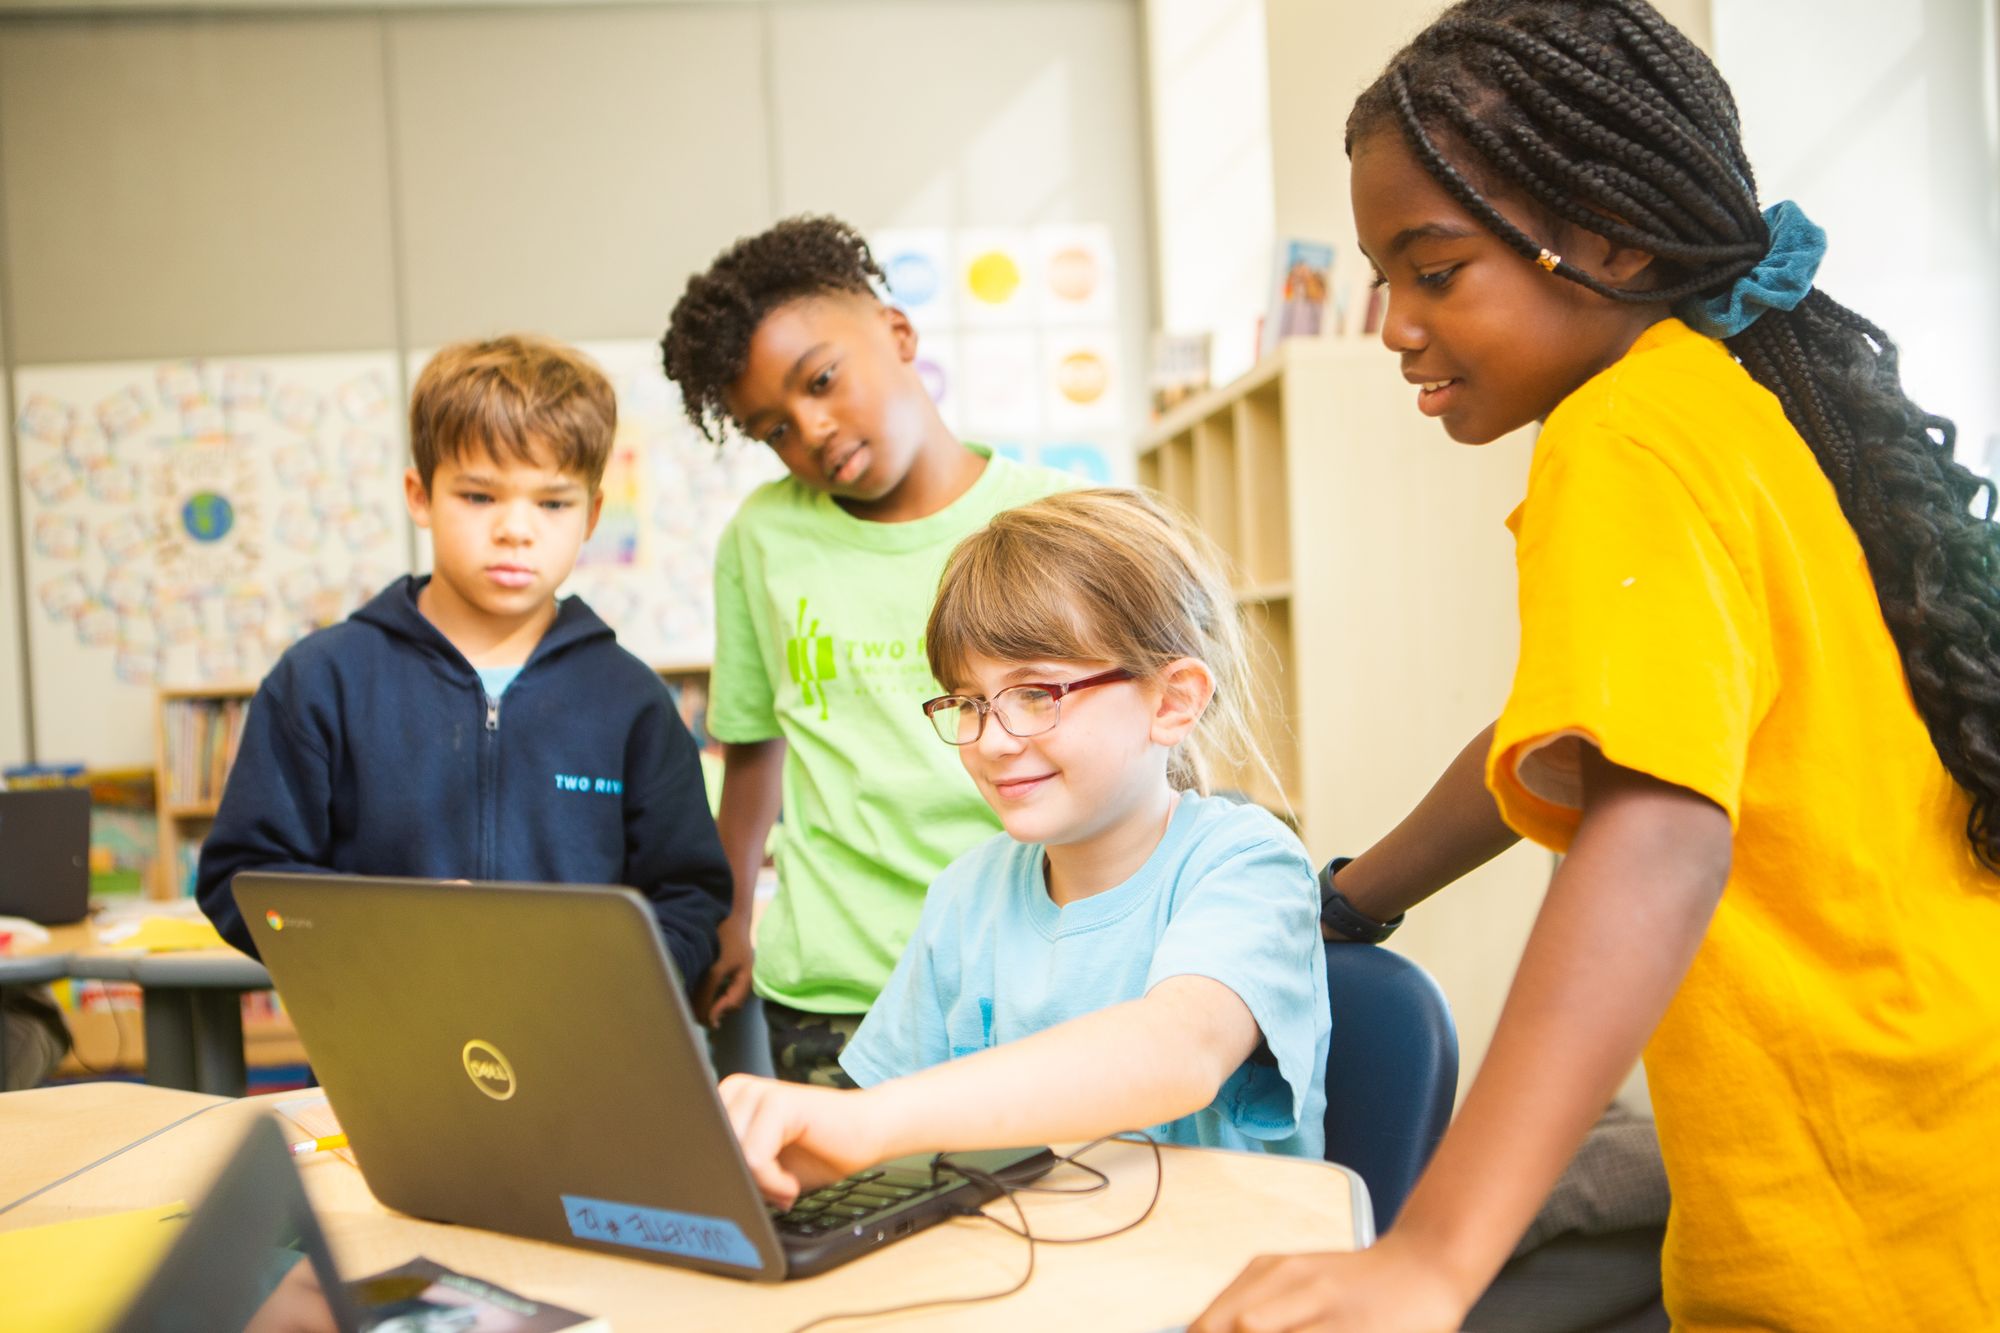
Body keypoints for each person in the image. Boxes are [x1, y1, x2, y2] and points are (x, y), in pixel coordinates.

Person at [1195, 3, 2000, 1329]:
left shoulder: (1617, 444)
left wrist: (1430, 1254)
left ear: (1614, 238)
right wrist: (1357, 894)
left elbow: (1661, 827)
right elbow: (1567, 723)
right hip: (1947, 1122)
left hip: (1857, 1206)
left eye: (1435, 271)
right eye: (1381, 278)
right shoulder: (1732, 396)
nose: (1392, 324)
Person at [717, 488, 1330, 1205]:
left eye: (1036, 693)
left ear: (1172, 700)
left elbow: (1179, 1050)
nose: (994, 740)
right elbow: (884, 1133)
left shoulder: (1249, 864)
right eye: (968, 701)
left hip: (1214, 1286)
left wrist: (869, 1122)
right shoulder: (966, 894)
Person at [662, 215, 1074, 1079]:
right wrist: (733, 912)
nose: (808, 428)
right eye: (772, 428)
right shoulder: (760, 539)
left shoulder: (1060, 517)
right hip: (833, 994)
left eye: (821, 380)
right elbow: (753, 748)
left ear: (897, 332)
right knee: (852, 1216)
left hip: (1036, 971)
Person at [196, 335, 732, 988]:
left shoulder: (631, 701)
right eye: (479, 496)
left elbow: (690, 895)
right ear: (419, 495)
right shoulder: (320, 681)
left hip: (582, 1054)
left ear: (592, 514)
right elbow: (243, 878)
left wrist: (614, 981)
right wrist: (390, 927)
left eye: (553, 502)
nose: (515, 528)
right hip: (386, 1053)